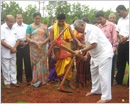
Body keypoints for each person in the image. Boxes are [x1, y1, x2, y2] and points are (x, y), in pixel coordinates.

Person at [74, 19, 113, 103]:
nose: (77, 31)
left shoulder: (91, 29)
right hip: (95, 55)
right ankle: (96, 90)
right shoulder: (85, 31)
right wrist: (86, 54)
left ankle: (106, 96)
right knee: (94, 72)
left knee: (104, 75)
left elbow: (94, 44)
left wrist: (81, 51)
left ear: (82, 25)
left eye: (77, 29)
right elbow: (90, 45)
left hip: (104, 54)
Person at [50, 13, 82, 89]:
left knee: (68, 65)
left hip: (67, 48)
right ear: (57, 20)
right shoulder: (52, 28)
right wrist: (53, 53)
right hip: (57, 50)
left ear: (64, 20)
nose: (61, 22)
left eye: (63, 20)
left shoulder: (68, 26)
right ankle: (59, 82)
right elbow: (52, 42)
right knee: (59, 66)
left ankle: (69, 82)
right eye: (60, 21)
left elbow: (73, 36)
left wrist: (78, 42)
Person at [26, 12, 50, 88]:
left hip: (42, 48)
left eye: (39, 18)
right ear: (33, 18)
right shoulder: (29, 27)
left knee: (42, 64)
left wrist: (43, 43)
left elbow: (49, 37)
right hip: (34, 49)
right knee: (36, 65)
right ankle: (36, 80)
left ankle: (43, 80)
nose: (37, 20)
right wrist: (35, 42)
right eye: (36, 18)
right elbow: (27, 38)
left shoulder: (45, 27)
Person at [95, 11, 118, 86]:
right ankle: (102, 83)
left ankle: (109, 83)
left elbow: (114, 37)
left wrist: (113, 49)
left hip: (110, 47)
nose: (99, 21)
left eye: (100, 19)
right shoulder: (98, 27)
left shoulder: (111, 25)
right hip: (101, 49)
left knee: (110, 66)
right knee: (101, 66)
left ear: (104, 17)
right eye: (98, 20)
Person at [1, 15, 20, 89]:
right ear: (6, 21)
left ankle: (14, 81)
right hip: (5, 51)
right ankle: (7, 82)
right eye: (10, 22)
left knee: (13, 66)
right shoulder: (2, 28)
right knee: (6, 67)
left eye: (13, 21)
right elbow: (1, 41)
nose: (12, 23)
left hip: (13, 51)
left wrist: (14, 47)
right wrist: (11, 48)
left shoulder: (15, 28)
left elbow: (18, 39)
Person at [14, 14, 32, 85]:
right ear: (16, 19)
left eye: (21, 18)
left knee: (27, 62)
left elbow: (29, 35)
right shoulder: (13, 27)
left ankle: (29, 79)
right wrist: (17, 43)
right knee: (18, 62)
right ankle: (19, 79)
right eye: (18, 18)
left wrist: (26, 42)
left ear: (22, 18)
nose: (19, 19)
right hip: (17, 46)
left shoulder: (27, 26)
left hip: (26, 45)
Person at [115, 5, 129, 87]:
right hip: (121, 43)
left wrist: (127, 37)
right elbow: (117, 31)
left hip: (128, 42)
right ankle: (118, 81)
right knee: (120, 63)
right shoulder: (120, 20)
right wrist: (120, 37)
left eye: (119, 11)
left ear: (124, 10)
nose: (118, 14)